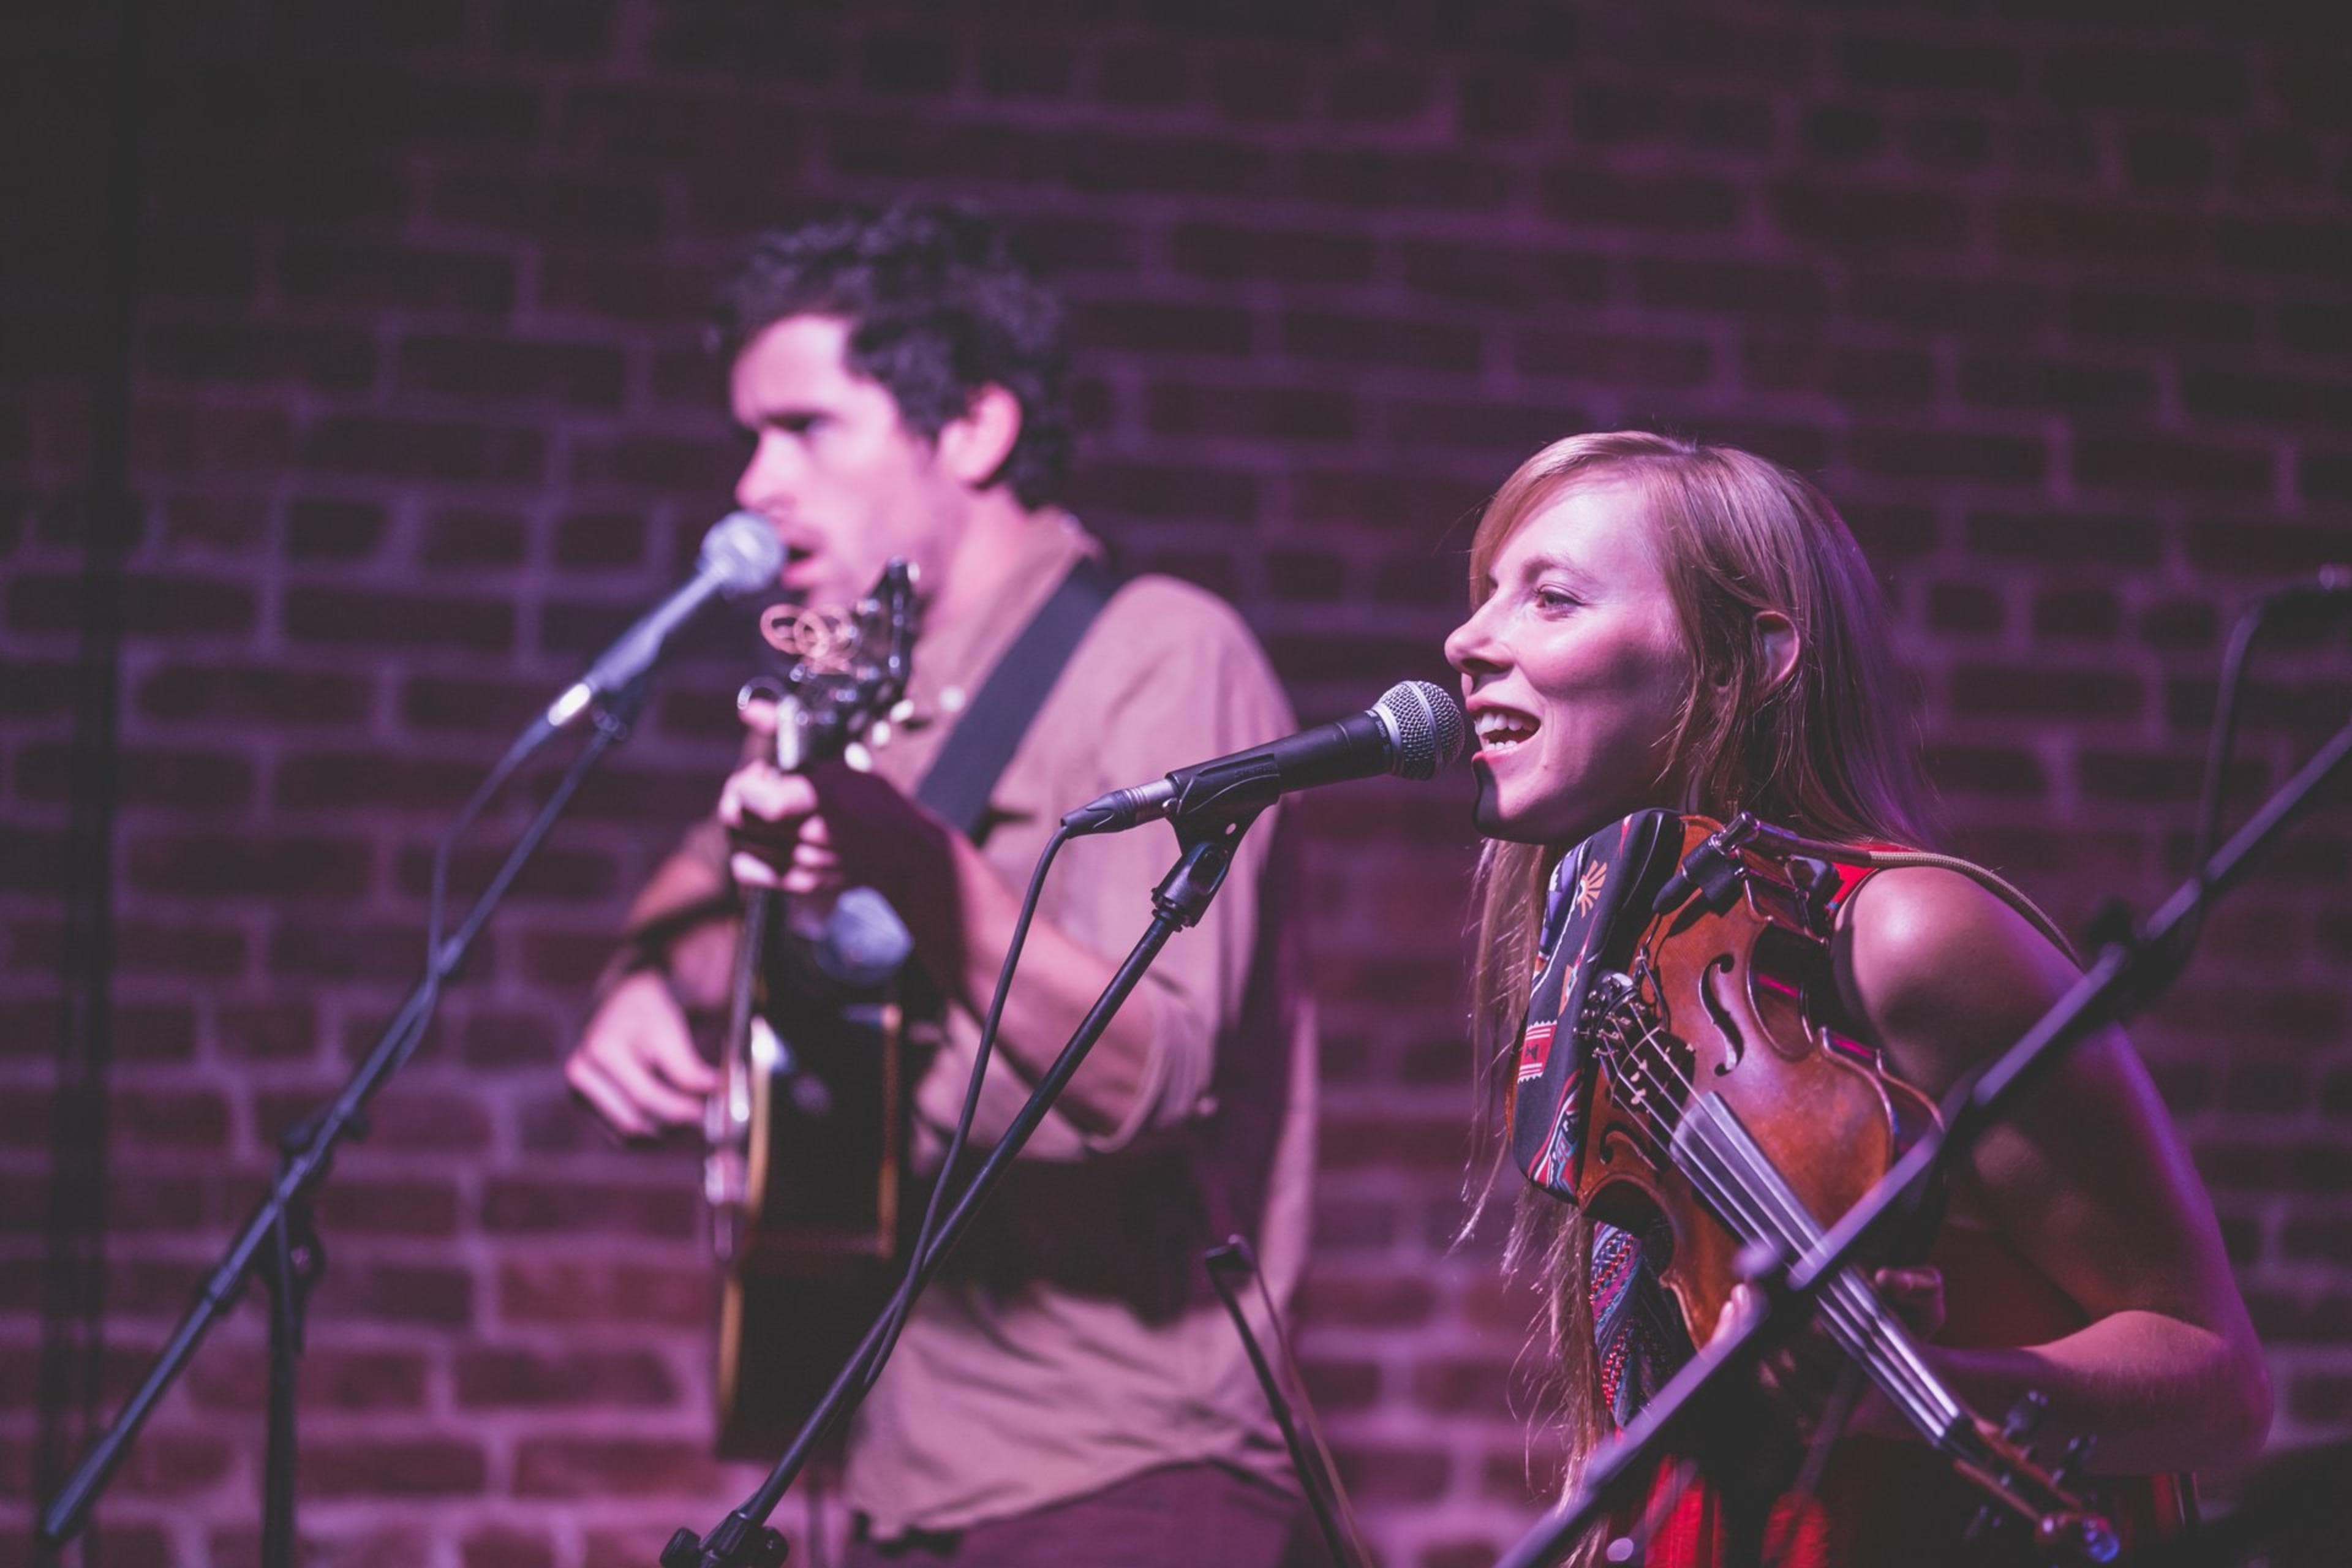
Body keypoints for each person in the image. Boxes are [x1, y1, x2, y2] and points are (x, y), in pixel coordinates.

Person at [565, 204, 1314, 1565]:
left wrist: (901, 853)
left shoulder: (1155, 653)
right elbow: (698, 882)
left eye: (805, 428)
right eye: (749, 435)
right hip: (888, 1475)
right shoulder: (848, 690)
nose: (755, 485)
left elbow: (1148, 1074)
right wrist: (643, 982)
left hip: (1131, 1480)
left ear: (970, 427)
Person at [1444, 431, 2270, 1565]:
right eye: (1487, 595)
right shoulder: (1622, 977)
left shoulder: (1904, 937)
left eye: (1550, 599)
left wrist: (1908, 1387)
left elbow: (2220, 1382)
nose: (1466, 641)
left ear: (1747, 660)